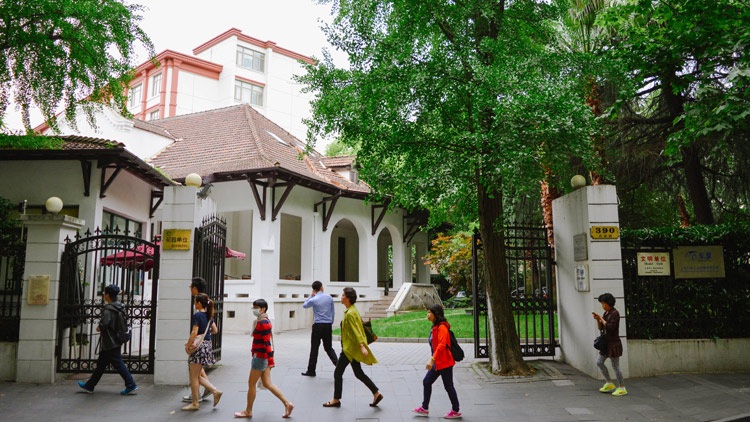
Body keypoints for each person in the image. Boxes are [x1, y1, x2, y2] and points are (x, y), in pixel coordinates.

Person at [323, 287, 383, 408]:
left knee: (338, 373)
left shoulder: (350, 313)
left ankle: (336, 399)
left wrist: (362, 346)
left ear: (348, 298)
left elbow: (356, 330)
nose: (341, 297)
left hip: (349, 349)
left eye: (343, 295)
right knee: (358, 373)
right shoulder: (353, 310)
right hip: (351, 348)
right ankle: (376, 393)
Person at [234, 299, 294, 418]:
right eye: (253, 307)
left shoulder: (262, 323)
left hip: (260, 357)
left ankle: (248, 411)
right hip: (263, 356)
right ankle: (287, 404)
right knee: (267, 384)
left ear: (263, 309)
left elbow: (267, 343)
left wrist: (270, 361)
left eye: (256, 307)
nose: (254, 309)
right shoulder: (263, 321)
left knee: (251, 384)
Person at [77, 284, 138, 395]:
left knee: (118, 363)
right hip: (116, 338)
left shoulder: (109, 309)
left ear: (108, 295)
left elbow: (104, 323)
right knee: (101, 364)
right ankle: (90, 385)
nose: (104, 295)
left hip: (110, 341)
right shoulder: (120, 306)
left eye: (105, 293)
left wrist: (99, 327)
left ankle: (131, 384)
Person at [412, 304, 461, 419]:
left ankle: (456, 410)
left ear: (436, 314)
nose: (427, 315)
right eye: (427, 312)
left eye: (430, 312)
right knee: (427, 382)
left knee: (448, 386)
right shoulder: (435, 327)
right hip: (438, 362)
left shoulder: (442, 328)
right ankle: (424, 408)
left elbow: (441, 346)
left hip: (445, 362)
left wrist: (431, 360)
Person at [182, 293, 222, 411]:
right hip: (207, 345)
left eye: (195, 302)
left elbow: (194, 333)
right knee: (197, 375)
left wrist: (188, 346)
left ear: (199, 303)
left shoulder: (198, 315)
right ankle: (215, 391)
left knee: (193, 376)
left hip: (198, 347)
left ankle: (195, 403)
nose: (194, 304)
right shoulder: (209, 315)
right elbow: (215, 330)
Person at [182, 277, 214, 404]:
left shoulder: (199, 307)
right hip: (206, 343)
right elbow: (214, 327)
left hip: (199, 343)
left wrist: (191, 342)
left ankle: (201, 394)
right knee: (198, 369)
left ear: (195, 288)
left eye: (191, 287)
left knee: (194, 372)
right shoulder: (207, 303)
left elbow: (196, 330)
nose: (190, 289)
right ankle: (205, 390)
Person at [592, 293, 627, 396]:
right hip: (606, 344)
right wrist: (598, 319)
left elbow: (610, 327)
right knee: (599, 362)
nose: (602, 306)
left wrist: (601, 319)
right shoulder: (606, 313)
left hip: (613, 344)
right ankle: (609, 382)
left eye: (603, 303)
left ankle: (622, 387)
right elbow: (601, 328)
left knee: (615, 366)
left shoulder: (615, 313)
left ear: (608, 303)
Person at [301, 280, 338, 376]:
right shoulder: (329, 297)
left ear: (314, 290)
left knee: (314, 348)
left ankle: (311, 370)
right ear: (321, 287)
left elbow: (304, 305)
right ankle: (338, 366)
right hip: (327, 325)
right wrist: (331, 322)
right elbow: (332, 312)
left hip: (318, 325)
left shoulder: (314, 299)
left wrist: (311, 296)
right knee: (329, 347)